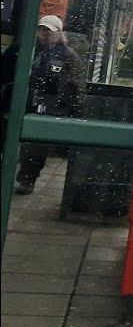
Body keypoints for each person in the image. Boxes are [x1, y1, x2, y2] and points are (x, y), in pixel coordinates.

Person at [14, 15, 83, 194]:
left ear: (59, 33)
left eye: (48, 30)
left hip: (50, 108)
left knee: (36, 147)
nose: (44, 33)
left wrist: (66, 107)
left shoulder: (68, 56)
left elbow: (77, 85)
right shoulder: (26, 49)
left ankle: (27, 179)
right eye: (41, 29)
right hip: (25, 102)